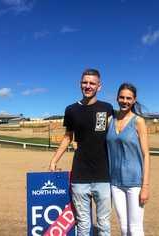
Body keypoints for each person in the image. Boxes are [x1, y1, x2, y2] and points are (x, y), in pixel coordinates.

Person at [49, 68, 113, 236]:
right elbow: (67, 137)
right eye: (85, 82)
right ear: (80, 85)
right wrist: (54, 160)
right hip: (79, 177)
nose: (88, 86)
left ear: (99, 86)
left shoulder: (107, 108)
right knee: (83, 224)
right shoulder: (71, 110)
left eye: (92, 83)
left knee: (104, 224)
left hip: (103, 176)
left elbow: (114, 137)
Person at [106, 83, 150, 236]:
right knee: (124, 228)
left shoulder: (138, 121)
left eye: (128, 98)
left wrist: (145, 186)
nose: (124, 101)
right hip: (115, 183)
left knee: (135, 229)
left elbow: (146, 155)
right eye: (122, 97)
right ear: (117, 98)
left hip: (134, 183)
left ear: (134, 100)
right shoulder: (110, 120)